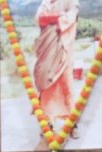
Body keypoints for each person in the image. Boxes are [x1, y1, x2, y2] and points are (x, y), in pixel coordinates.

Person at [33, 0, 80, 129]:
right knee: (46, 85)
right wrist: (59, 15)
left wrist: (51, 18)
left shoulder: (71, 2)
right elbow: (39, 19)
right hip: (46, 50)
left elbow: (69, 18)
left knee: (67, 85)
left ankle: (72, 123)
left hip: (63, 49)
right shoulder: (45, 2)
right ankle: (49, 121)